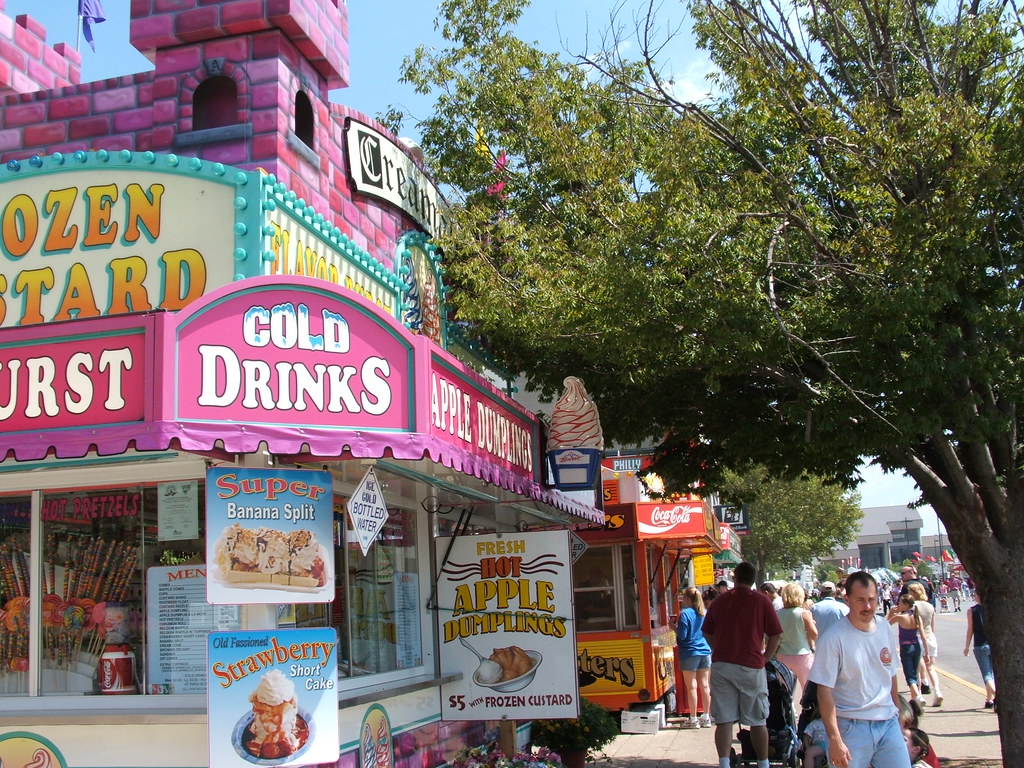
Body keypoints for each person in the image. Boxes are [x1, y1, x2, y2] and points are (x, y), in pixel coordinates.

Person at [807, 571, 909, 768]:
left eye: (872, 599)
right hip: (851, 727)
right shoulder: (833, 638)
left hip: (887, 723)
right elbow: (824, 692)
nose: (868, 606)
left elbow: (891, 676)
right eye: (861, 600)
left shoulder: (884, 628)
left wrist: (897, 715)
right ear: (847, 599)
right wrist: (835, 739)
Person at [703, 562, 784, 768]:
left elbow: (707, 631)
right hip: (751, 665)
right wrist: (766, 657)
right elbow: (776, 634)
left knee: (724, 720)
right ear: (753, 579)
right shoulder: (762, 601)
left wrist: (718, 647)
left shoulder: (720, 601)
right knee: (758, 720)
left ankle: (723, 763)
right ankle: (764, 762)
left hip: (722, 665)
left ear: (736, 577)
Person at [676, 586, 714, 728]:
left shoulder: (685, 614)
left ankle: (693, 719)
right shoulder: (705, 613)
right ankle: (706, 716)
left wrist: (674, 627)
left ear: (687, 598)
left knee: (691, 686)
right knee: (705, 685)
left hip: (689, 652)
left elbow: (683, 636)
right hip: (705, 650)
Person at [776, 582, 818, 693]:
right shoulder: (803, 613)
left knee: (784, 689)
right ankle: (807, 708)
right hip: (802, 654)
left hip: (783, 655)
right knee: (807, 688)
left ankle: (788, 708)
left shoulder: (777, 614)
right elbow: (814, 634)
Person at [906, 583, 942, 707]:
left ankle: (919, 695)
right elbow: (932, 626)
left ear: (914, 593)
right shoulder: (930, 606)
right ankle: (937, 691)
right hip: (930, 637)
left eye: (910, 592)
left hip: (918, 638)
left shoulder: (913, 607)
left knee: (917, 668)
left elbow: (910, 624)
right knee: (931, 667)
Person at [886, 595, 924, 705]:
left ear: (906, 605)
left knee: (909, 675)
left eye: (901, 603)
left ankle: (918, 695)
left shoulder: (900, 617)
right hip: (917, 645)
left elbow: (884, 625)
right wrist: (925, 649)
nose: (898, 605)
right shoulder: (916, 616)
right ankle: (914, 699)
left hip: (906, 647)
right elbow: (922, 634)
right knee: (915, 673)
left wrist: (890, 613)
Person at [963, 589, 996, 709]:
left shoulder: (972, 610)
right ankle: (989, 699)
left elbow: (970, 630)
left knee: (987, 674)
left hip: (980, 645)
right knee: (992, 673)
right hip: (993, 645)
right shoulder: (993, 608)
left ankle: (996, 696)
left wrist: (967, 646)